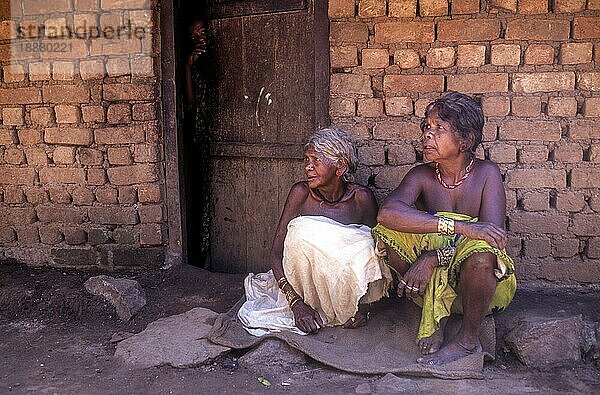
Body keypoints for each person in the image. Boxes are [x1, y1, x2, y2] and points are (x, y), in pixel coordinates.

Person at [372, 92, 516, 365]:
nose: (428, 134)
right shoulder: (422, 175)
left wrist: (433, 257)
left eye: (440, 129)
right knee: (386, 234)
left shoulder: (487, 174)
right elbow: (387, 213)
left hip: (474, 289)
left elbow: (492, 239)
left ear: (465, 140)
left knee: (482, 254)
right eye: (427, 126)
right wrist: (458, 226)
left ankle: (467, 340)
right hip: (424, 284)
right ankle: (433, 312)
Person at [267, 127, 392, 334]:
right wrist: (295, 303)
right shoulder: (301, 194)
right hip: (302, 295)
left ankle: (344, 307)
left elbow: (376, 258)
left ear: (340, 166)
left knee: (366, 243)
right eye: (306, 159)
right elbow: (275, 254)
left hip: (346, 301)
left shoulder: (361, 199)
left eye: (316, 160)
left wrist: (365, 307)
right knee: (299, 231)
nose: (308, 167)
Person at [183, 15, 212, 265]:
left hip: (223, 129)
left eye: (203, 32)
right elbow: (191, 103)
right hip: (204, 134)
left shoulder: (220, 58)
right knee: (206, 189)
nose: (200, 38)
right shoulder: (196, 63)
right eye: (195, 35)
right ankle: (206, 249)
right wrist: (189, 66)